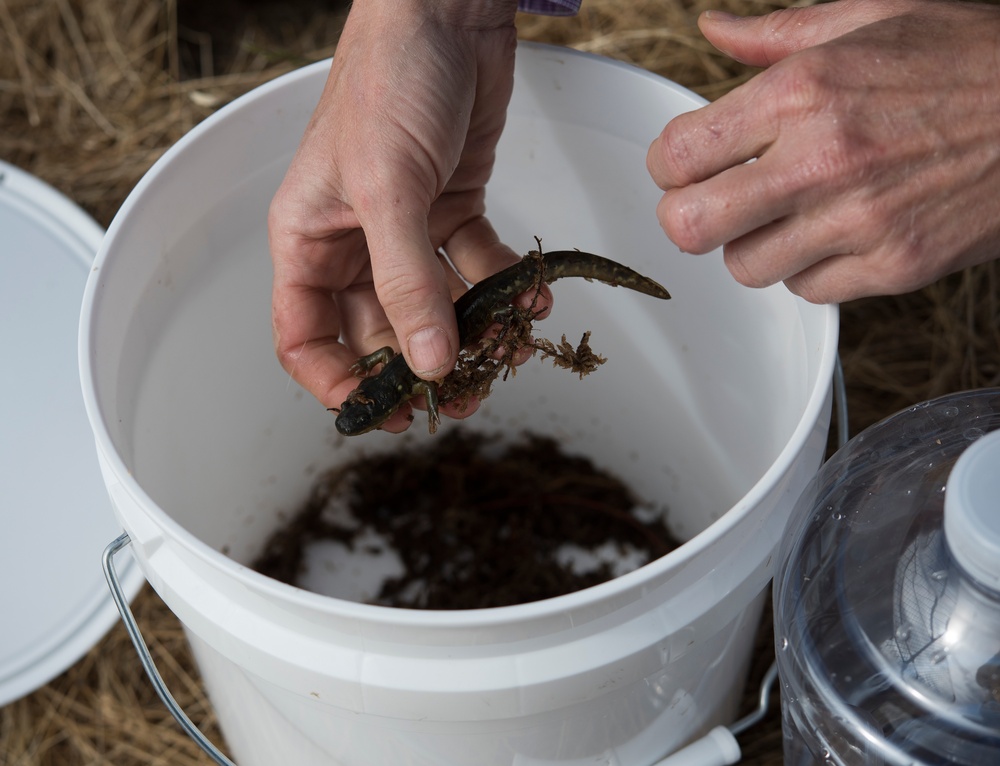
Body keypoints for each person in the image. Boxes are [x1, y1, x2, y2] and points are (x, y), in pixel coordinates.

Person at [268, 0, 1000, 432]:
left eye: (364, 405)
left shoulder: (410, 374)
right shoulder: (393, 373)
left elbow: (435, 369)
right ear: (376, 388)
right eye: (366, 407)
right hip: (482, 298)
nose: (365, 402)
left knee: (494, 309)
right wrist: (439, 11)